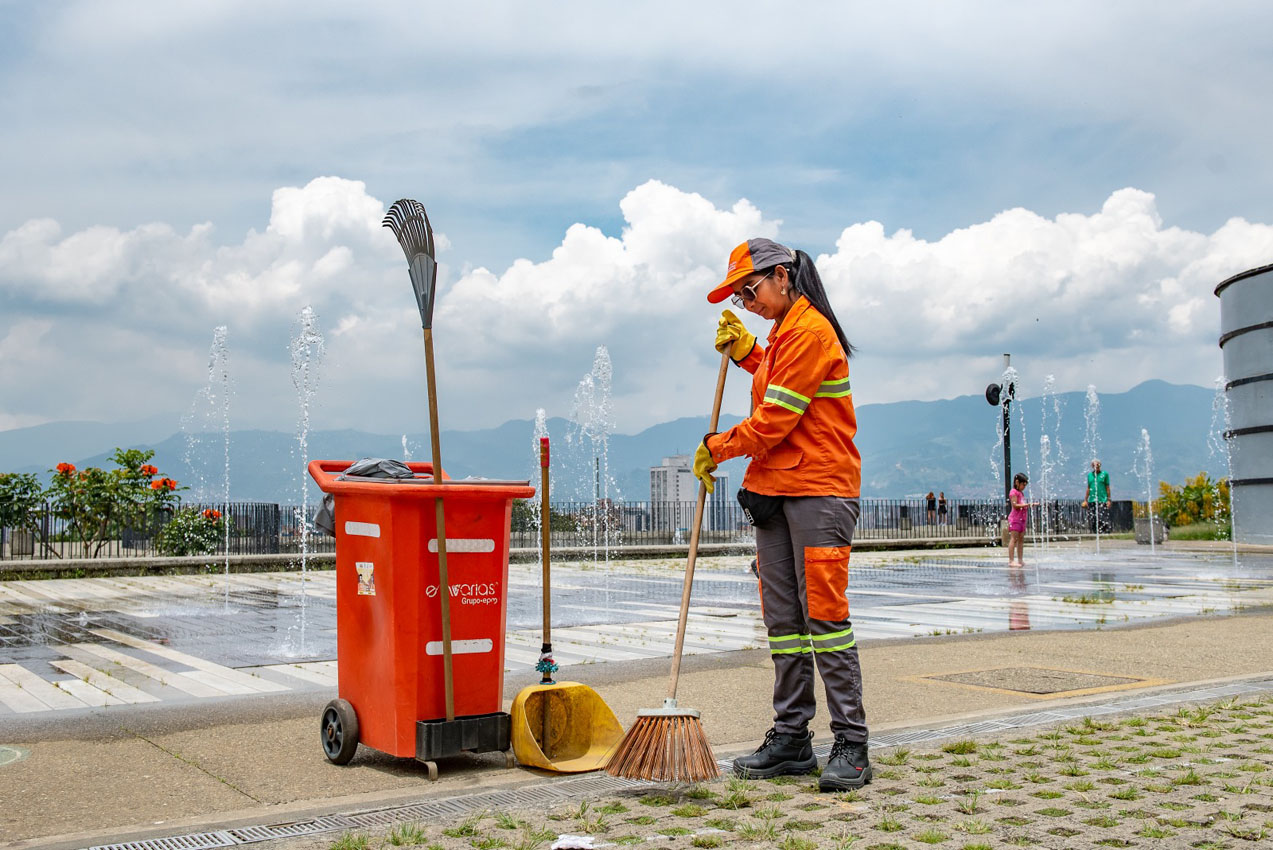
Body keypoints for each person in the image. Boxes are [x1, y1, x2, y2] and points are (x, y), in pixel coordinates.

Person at [694, 237, 870, 792]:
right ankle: (792, 739)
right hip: (775, 490)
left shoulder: (812, 331)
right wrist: (749, 350)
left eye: (751, 291)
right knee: (784, 623)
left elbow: (776, 418)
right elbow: (776, 375)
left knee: (825, 621)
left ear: (783, 277)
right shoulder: (783, 335)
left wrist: (716, 446)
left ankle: (853, 745)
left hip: (819, 490)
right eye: (741, 298)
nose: (748, 302)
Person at [1007, 473, 1037, 567]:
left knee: (1021, 539)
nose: (1024, 487)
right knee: (1014, 539)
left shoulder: (1021, 493)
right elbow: (1015, 505)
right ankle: (1011, 560)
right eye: (1023, 484)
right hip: (1015, 519)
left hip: (1022, 519)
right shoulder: (1013, 492)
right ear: (1017, 482)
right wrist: (1028, 505)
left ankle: (1020, 559)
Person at [1082, 459, 1112, 533]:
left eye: (1098, 465)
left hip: (1102, 499)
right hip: (1092, 500)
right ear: (1092, 466)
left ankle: (1105, 532)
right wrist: (1085, 499)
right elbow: (1088, 488)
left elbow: (1107, 487)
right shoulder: (1089, 475)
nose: (1096, 467)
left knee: (1102, 517)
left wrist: (1108, 499)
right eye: (1095, 465)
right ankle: (1095, 532)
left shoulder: (1105, 474)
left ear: (1100, 465)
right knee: (1093, 517)